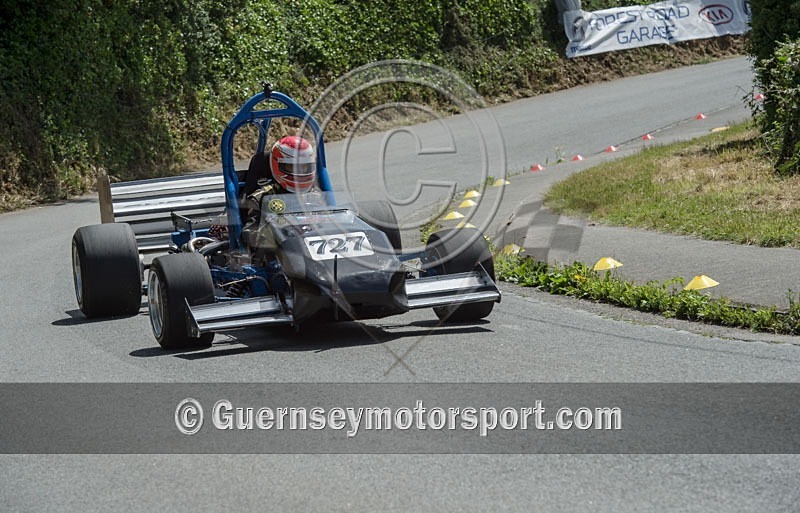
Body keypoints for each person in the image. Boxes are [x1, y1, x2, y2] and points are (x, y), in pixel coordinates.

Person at [244, 135, 317, 218]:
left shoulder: (316, 197)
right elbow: (250, 230)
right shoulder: (262, 199)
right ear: (277, 165)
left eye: (305, 167)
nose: (300, 173)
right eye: (293, 167)